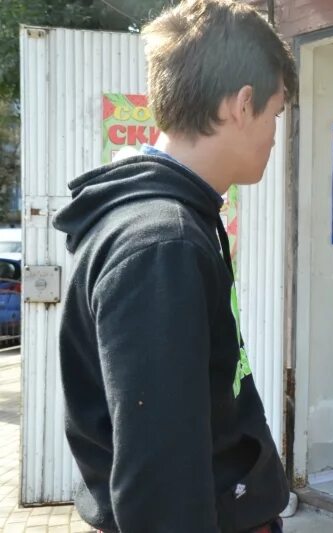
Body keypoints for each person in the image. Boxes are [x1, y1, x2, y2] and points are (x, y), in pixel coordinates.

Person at [51, 1, 297, 532]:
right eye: (276, 114)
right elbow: (158, 468)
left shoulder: (171, 219)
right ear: (243, 104)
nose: (276, 135)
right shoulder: (163, 242)